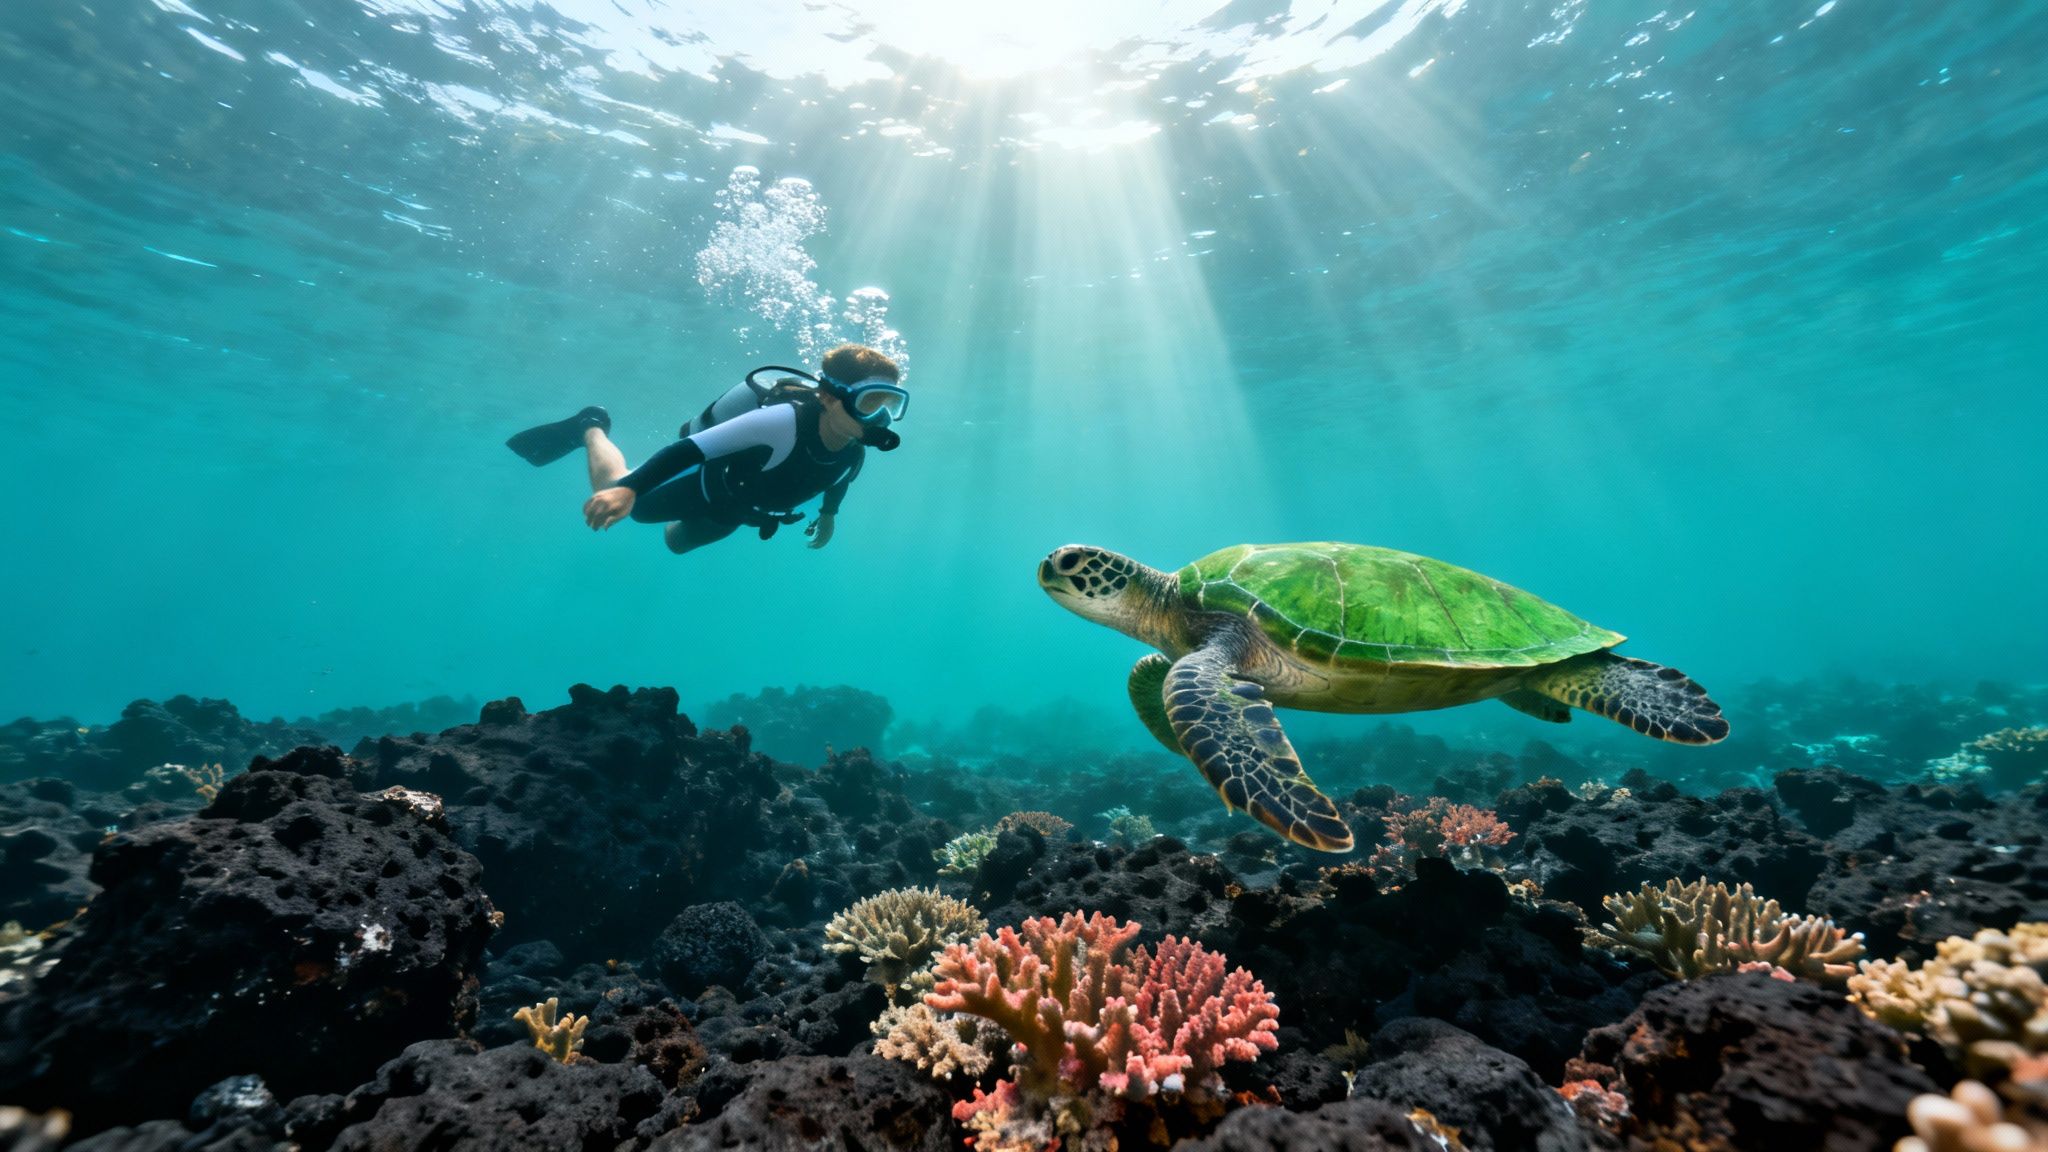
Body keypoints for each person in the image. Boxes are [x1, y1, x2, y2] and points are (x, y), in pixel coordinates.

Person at [506, 344, 907, 555]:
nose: (881, 419)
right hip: (704, 481)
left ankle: (634, 483)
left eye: (890, 405)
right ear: (829, 396)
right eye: (872, 402)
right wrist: (628, 490)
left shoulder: (856, 444)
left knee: (676, 544)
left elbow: (839, 479)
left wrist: (829, 515)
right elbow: (687, 451)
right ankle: (590, 426)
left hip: (741, 508)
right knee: (628, 501)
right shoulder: (782, 421)